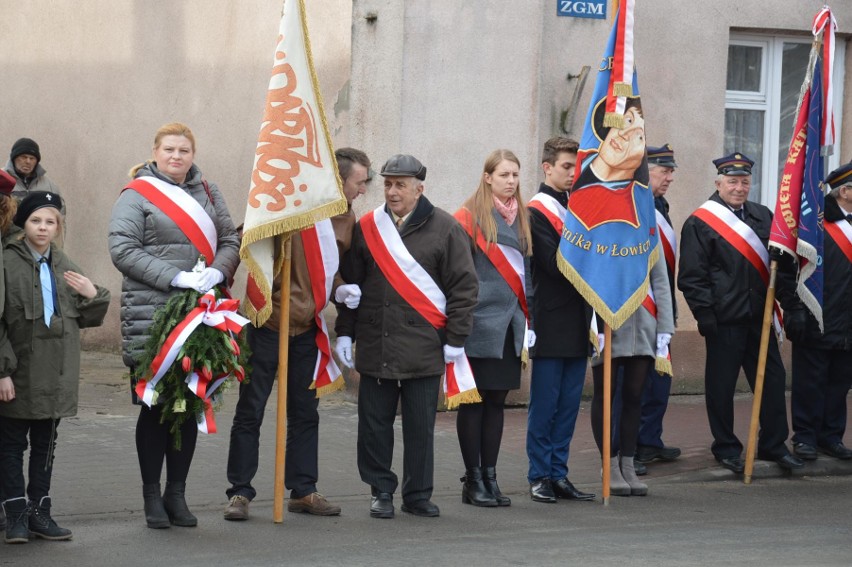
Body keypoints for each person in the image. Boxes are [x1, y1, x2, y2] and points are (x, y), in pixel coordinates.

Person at [223, 147, 370, 521]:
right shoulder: (291, 204)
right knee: (251, 411)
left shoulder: (343, 217)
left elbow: (326, 267)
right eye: (360, 182)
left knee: (305, 412)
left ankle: (303, 490)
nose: (363, 190)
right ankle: (240, 492)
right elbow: (249, 239)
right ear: (339, 179)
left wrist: (338, 289)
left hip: (307, 327)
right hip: (269, 322)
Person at [108, 123, 240, 529]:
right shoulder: (136, 195)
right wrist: (175, 277)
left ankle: (176, 494)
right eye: (169, 149)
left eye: (184, 150)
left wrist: (218, 273)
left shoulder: (209, 192)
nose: (177, 156)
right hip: (153, 318)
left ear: (192, 154)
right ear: (155, 151)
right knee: (155, 408)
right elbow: (122, 248)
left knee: (187, 405)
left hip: (199, 317)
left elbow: (230, 241)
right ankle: (151, 495)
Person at [335, 154, 478, 519]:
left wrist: (456, 340)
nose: (392, 191)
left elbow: (464, 288)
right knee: (374, 426)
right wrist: (345, 334)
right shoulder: (368, 227)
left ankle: (417, 494)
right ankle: (380, 490)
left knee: (419, 428)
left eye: (400, 184)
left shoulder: (445, 228)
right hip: (376, 341)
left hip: (424, 346)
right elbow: (353, 285)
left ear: (419, 188)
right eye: (387, 184)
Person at [678, 152, 803, 473]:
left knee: (773, 382)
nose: (739, 188)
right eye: (732, 181)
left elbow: (784, 266)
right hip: (725, 319)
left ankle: (773, 445)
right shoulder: (700, 222)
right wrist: (704, 314)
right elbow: (693, 275)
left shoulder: (763, 216)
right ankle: (726, 447)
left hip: (760, 318)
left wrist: (790, 306)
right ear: (719, 182)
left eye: (745, 182)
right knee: (721, 387)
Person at [0, 191, 110, 543]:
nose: (43, 228)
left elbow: (85, 314)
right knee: (11, 445)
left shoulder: (63, 264)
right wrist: (2, 371)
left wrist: (94, 294)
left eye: (51, 221)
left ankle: (40, 512)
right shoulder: (7, 261)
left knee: (46, 444)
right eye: (36, 220)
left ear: (59, 227)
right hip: (18, 373)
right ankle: (15, 513)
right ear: (24, 223)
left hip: (56, 374)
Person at [452, 149, 534, 508]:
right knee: (475, 403)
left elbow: (527, 273)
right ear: (487, 177)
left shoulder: (523, 217)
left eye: (515, 175)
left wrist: (530, 321)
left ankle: (490, 475)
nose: (511, 182)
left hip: (511, 326)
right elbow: (457, 274)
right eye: (503, 175)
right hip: (479, 323)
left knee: (498, 402)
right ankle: (473, 480)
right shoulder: (468, 217)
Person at [525, 137, 596, 504]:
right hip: (552, 320)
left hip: (579, 318)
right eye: (566, 166)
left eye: (576, 167)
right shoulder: (535, 212)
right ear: (547, 167)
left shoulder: (579, 209)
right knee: (546, 404)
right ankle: (539, 474)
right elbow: (554, 265)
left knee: (569, 405)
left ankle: (559, 473)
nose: (573, 173)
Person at [782, 163, 852, 462]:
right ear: (845, 191)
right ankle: (806, 437)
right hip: (817, 316)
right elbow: (790, 270)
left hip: (847, 322)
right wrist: (794, 309)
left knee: (839, 383)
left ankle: (831, 436)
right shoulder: (815, 224)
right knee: (810, 382)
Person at [590, 247, 674, 496]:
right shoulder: (600, 219)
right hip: (609, 319)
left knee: (635, 395)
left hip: (644, 321)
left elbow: (659, 277)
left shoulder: (646, 222)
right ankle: (609, 463)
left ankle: (628, 463)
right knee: (605, 394)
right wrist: (594, 322)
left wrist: (665, 325)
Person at [635, 144, 682, 465]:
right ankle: (631, 447)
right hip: (639, 311)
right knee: (635, 384)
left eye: (671, 172)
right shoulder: (634, 207)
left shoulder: (659, 207)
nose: (669, 178)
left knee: (658, 380)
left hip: (661, 307)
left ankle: (649, 439)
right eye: (664, 171)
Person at [4, 138, 62, 204]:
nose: (28, 161)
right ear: (14, 159)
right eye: (24, 157)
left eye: (32, 158)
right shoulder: (2, 178)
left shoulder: (48, 185)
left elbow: (60, 207)